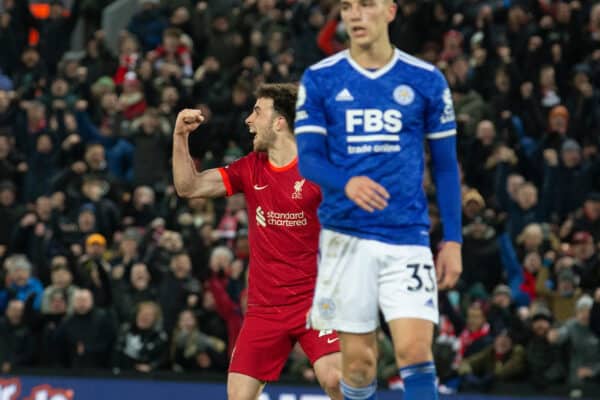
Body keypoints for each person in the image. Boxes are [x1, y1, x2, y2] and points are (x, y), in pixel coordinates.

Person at [294, 1, 462, 399]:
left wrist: (452, 239)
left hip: (407, 237)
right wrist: (346, 182)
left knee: (415, 350)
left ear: (390, 10)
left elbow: (445, 167)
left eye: (366, 4)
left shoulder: (426, 79)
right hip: (344, 237)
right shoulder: (320, 79)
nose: (354, 15)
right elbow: (309, 159)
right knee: (357, 365)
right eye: (347, 6)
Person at [171, 83, 341, 400]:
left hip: (316, 302)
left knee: (336, 380)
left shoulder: (318, 169)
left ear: (280, 122)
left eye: (257, 112)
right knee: (238, 396)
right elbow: (188, 187)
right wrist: (181, 136)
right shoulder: (250, 168)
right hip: (265, 309)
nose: (249, 120)